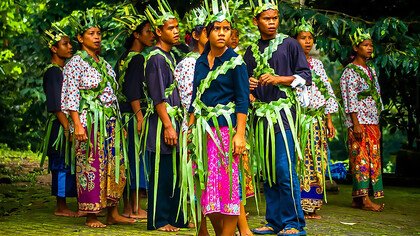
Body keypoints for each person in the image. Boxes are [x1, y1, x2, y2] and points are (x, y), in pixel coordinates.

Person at [61, 9, 136, 227]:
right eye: (91, 33)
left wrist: (118, 122)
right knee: (91, 167)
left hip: (110, 121)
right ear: (80, 38)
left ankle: (112, 212)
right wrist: (77, 125)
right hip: (88, 121)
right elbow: (70, 94)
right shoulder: (75, 63)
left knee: (114, 166)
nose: (96, 37)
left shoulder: (102, 62)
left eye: (98, 33)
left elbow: (112, 93)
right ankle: (91, 215)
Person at [244, 0, 311, 235]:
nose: (272, 23)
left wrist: (278, 79)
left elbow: (305, 76)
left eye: (274, 18)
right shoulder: (250, 50)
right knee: (268, 170)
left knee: (284, 169)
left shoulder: (290, 44)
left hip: (284, 115)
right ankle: (273, 221)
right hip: (261, 117)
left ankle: (294, 222)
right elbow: (245, 85)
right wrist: (250, 87)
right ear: (256, 21)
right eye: (266, 19)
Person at [187, 1, 249, 235]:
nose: (222, 33)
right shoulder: (201, 62)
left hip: (226, 132)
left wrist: (240, 135)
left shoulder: (236, 62)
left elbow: (243, 101)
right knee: (206, 190)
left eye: (226, 28)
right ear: (207, 32)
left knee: (229, 189)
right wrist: (190, 130)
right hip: (203, 133)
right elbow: (195, 98)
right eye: (217, 28)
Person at [143, 0, 189, 231]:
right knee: (162, 171)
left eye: (177, 27)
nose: (176, 31)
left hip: (174, 120)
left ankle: (176, 217)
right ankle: (160, 220)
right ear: (159, 32)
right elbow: (157, 97)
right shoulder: (156, 58)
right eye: (170, 28)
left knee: (175, 171)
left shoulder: (170, 56)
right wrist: (168, 125)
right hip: (163, 123)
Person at [293, 18, 339, 219]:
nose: (308, 41)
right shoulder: (289, 64)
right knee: (301, 160)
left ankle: (312, 205)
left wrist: (329, 119)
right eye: (303, 38)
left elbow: (326, 91)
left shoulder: (317, 65)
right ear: (295, 41)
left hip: (318, 121)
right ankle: (299, 204)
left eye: (310, 38)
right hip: (299, 122)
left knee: (317, 160)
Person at [114, 10, 155, 220]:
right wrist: (139, 116)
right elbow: (132, 89)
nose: (153, 35)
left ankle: (130, 207)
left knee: (129, 160)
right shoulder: (138, 58)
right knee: (137, 160)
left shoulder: (123, 57)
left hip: (123, 115)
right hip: (133, 116)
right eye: (148, 31)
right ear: (136, 35)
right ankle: (134, 209)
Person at [340, 28, 384, 212]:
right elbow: (349, 98)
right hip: (358, 123)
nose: (369, 48)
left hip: (372, 121)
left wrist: (378, 124)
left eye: (371, 45)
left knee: (373, 159)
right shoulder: (350, 72)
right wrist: (355, 123)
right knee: (361, 159)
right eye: (365, 45)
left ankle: (357, 199)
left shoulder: (372, 71)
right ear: (356, 48)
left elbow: (377, 96)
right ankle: (365, 200)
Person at [41, 24, 78, 218]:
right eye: (65, 44)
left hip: (65, 123)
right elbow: (55, 104)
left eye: (70, 43)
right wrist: (67, 126)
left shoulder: (62, 70)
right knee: (61, 163)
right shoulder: (54, 71)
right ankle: (61, 206)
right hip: (60, 124)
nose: (70, 46)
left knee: (67, 162)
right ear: (54, 49)